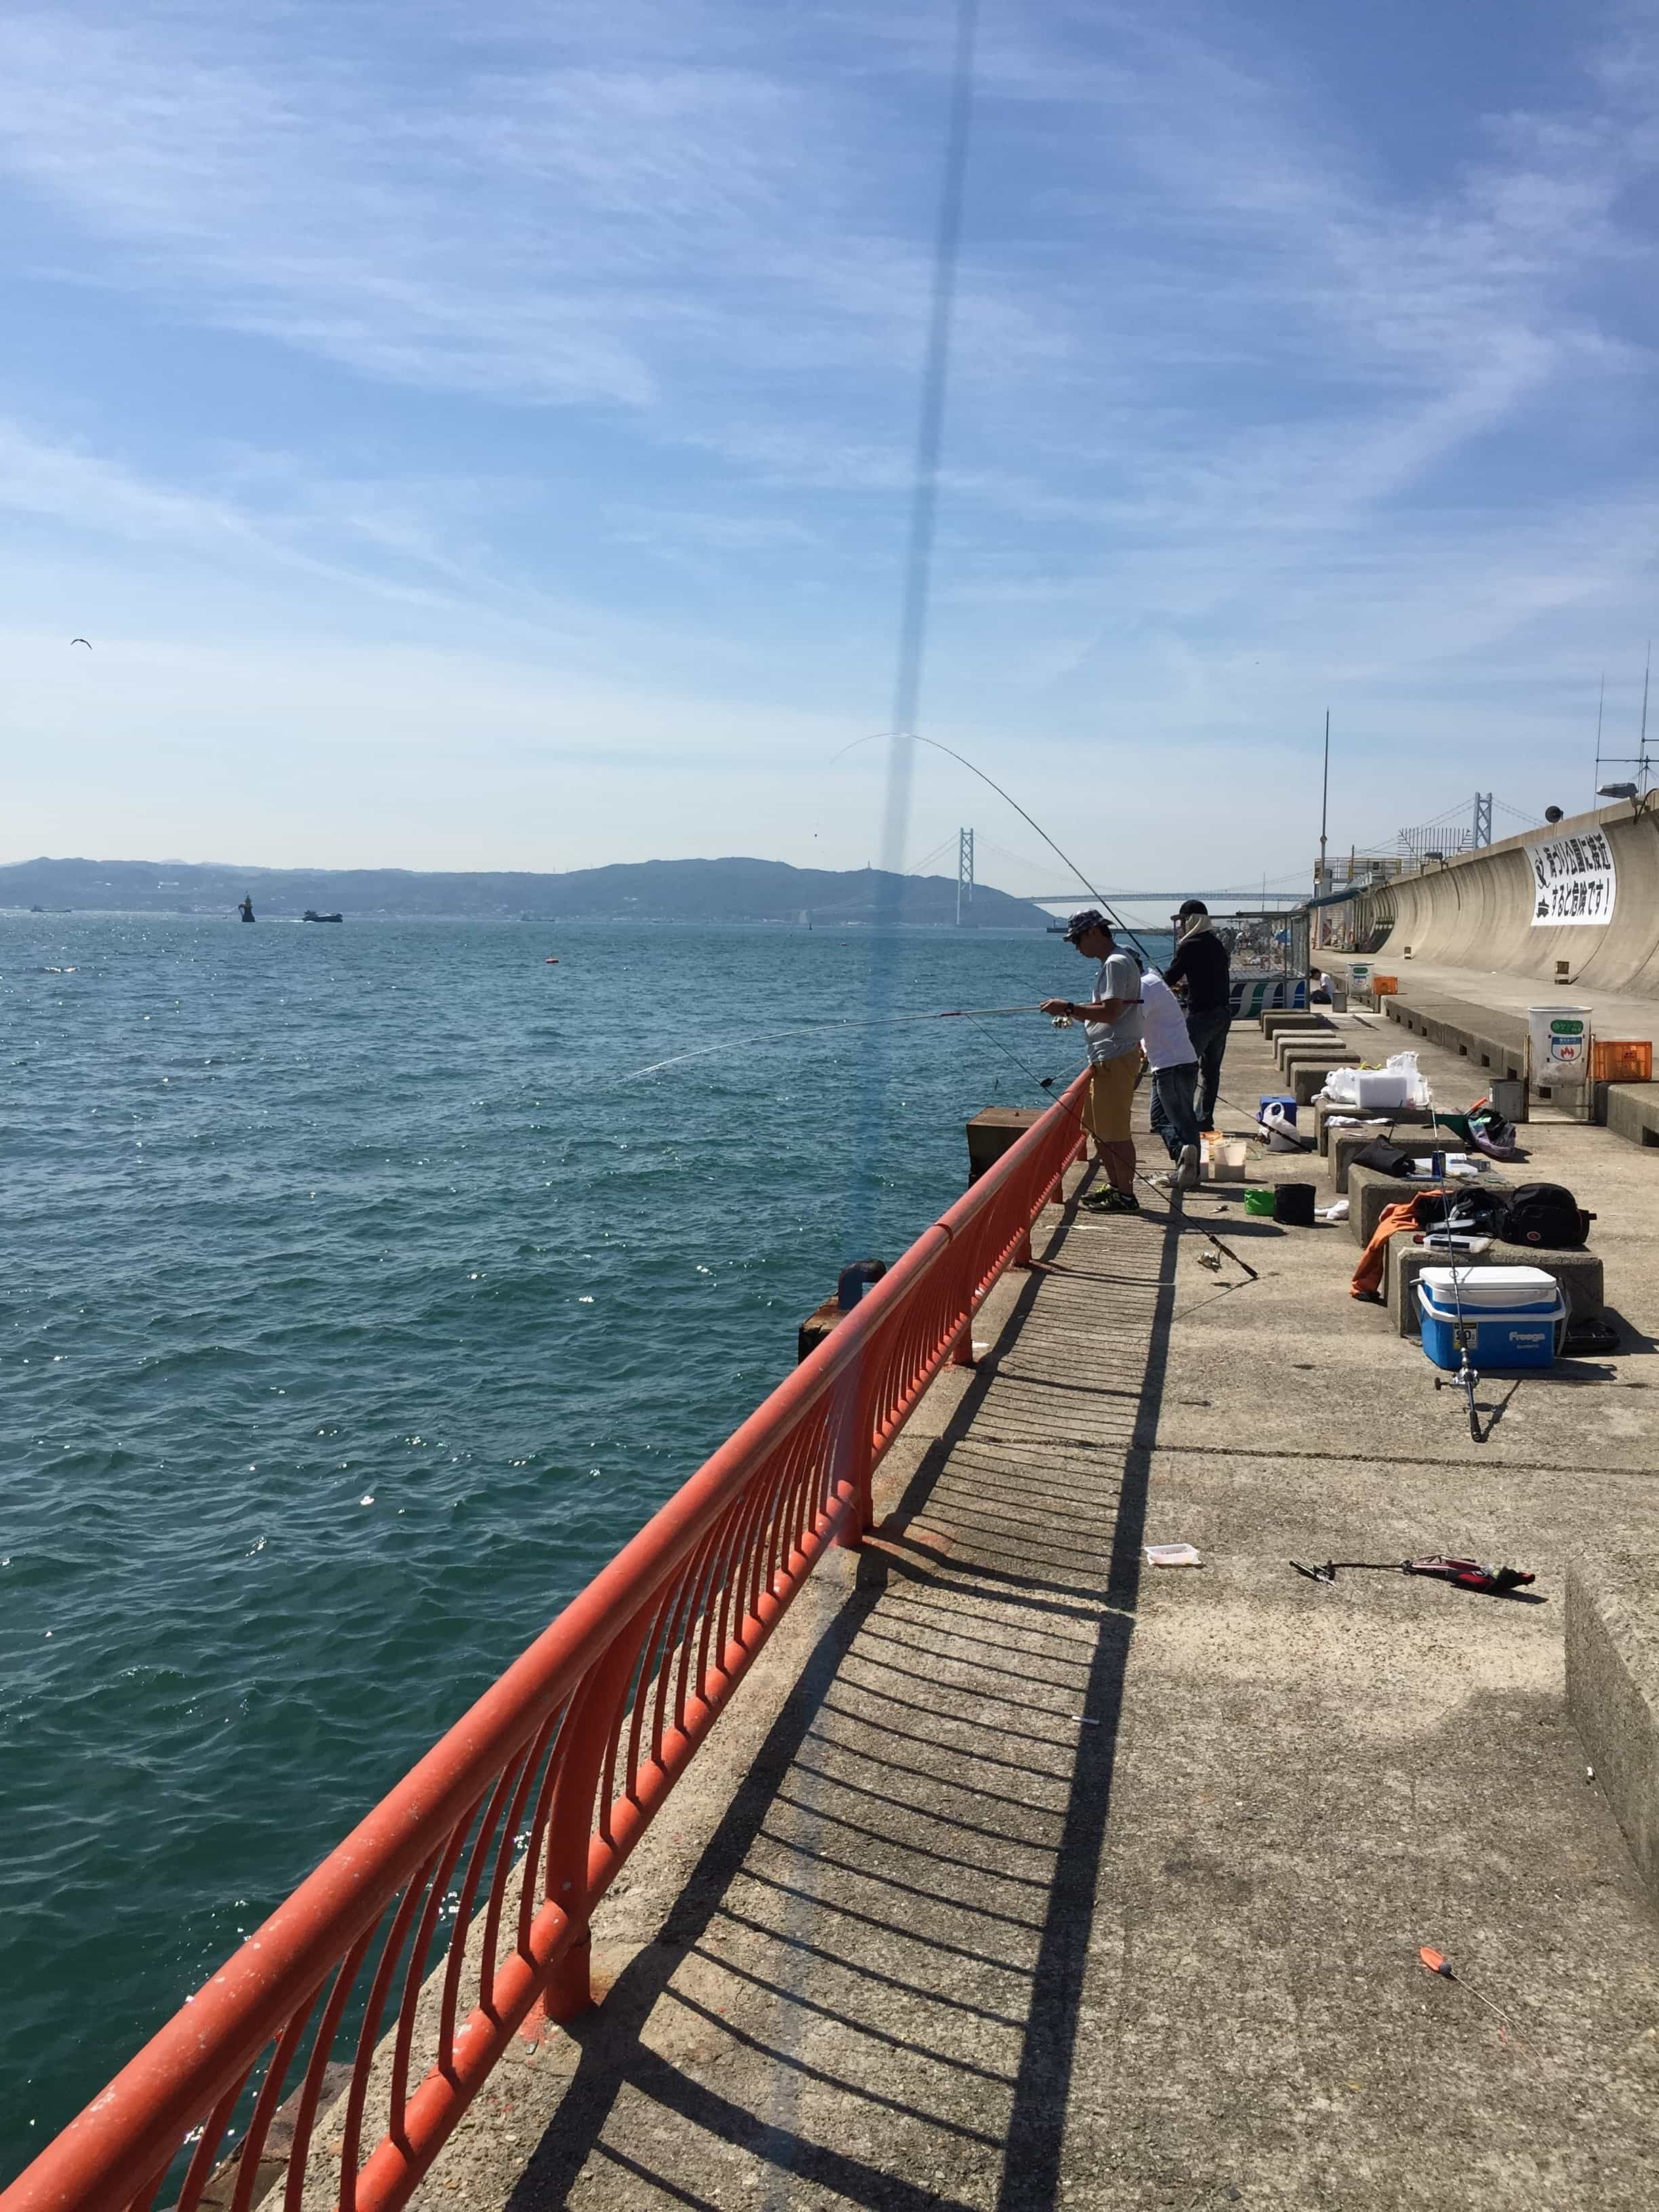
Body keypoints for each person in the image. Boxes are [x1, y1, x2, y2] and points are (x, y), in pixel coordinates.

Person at [1040, 909, 1145, 1212]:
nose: (1077, 947)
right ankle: (1115, 1187)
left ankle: (1126, 1196)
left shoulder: (1115, 963)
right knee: (1100, 1131)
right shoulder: (1118, 960)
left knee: (1116, 1133)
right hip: (1107, 1058)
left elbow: (1110, 1013)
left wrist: (1068, 1008)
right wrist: (1073, 1010)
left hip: (1115, 1057)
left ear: (1095, 932)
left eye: (1078, 939)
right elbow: (1110, 1008)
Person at [1164, 899, 1231, 1132]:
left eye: (1183, 921)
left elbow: (1168, 978)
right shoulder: (1217, 944)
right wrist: (1186, 988)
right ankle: (1204, 1119)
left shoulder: (1189, 945)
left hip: (1202, 1017)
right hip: (1223, 1014)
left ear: (1192, 921)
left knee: (1186, 1067)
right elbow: (1210, 978)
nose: (1180, 926)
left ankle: (1183, 1119)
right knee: (1211, 1072)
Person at [1141, 969, 1202, 1188]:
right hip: (1171, 1063)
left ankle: (1190, 1172)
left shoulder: (1144, 987)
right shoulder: (1154, 982)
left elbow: (1131, 1022)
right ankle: (1184, 1160)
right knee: (1159, 1119)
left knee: (1183, 1120)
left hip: (1171, 1066)